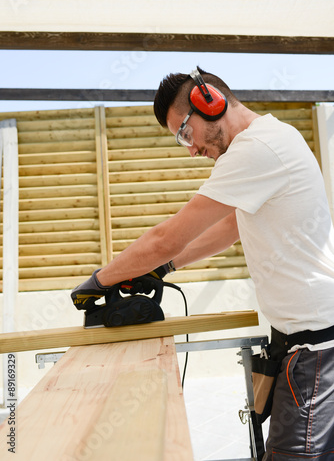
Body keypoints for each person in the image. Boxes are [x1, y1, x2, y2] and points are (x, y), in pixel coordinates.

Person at [72, 67, 334, 459]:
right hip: (303, 343)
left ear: (209, 102)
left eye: (184, 133)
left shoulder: (256, 149)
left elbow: (167, 236)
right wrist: (163, 268)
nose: (191, 149)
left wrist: (100, 279)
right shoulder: (271, 137)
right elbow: (231, 227)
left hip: (315, 346)